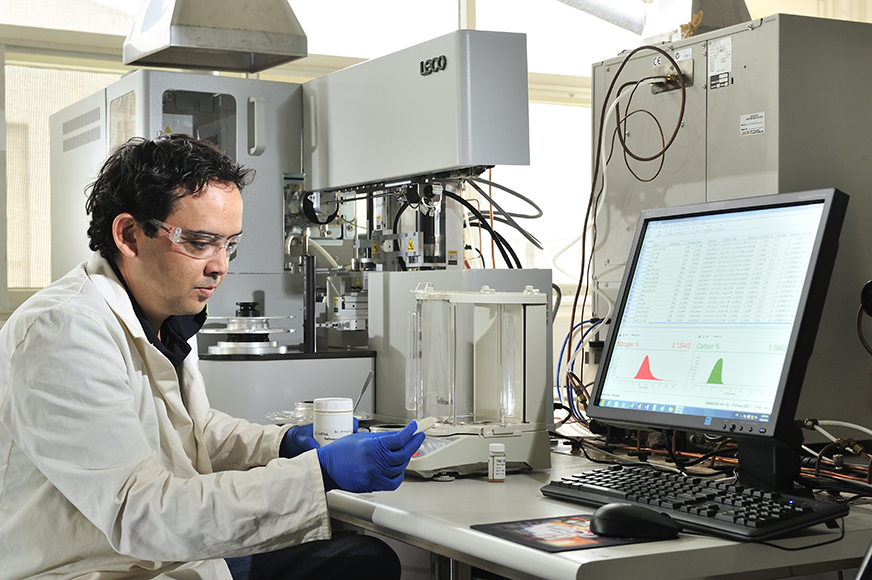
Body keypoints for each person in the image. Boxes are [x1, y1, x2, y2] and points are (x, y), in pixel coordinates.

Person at [0, 133, 425, 579]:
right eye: (200, 242)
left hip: (171, 556)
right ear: (129, 235)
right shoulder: (63, 331)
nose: (220, 265)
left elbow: (192, 430)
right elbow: (140, 512)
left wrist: (282, 444)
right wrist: (316, 474)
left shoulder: (162, 310)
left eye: (229, 244)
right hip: (99, 568)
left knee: (361, 559)